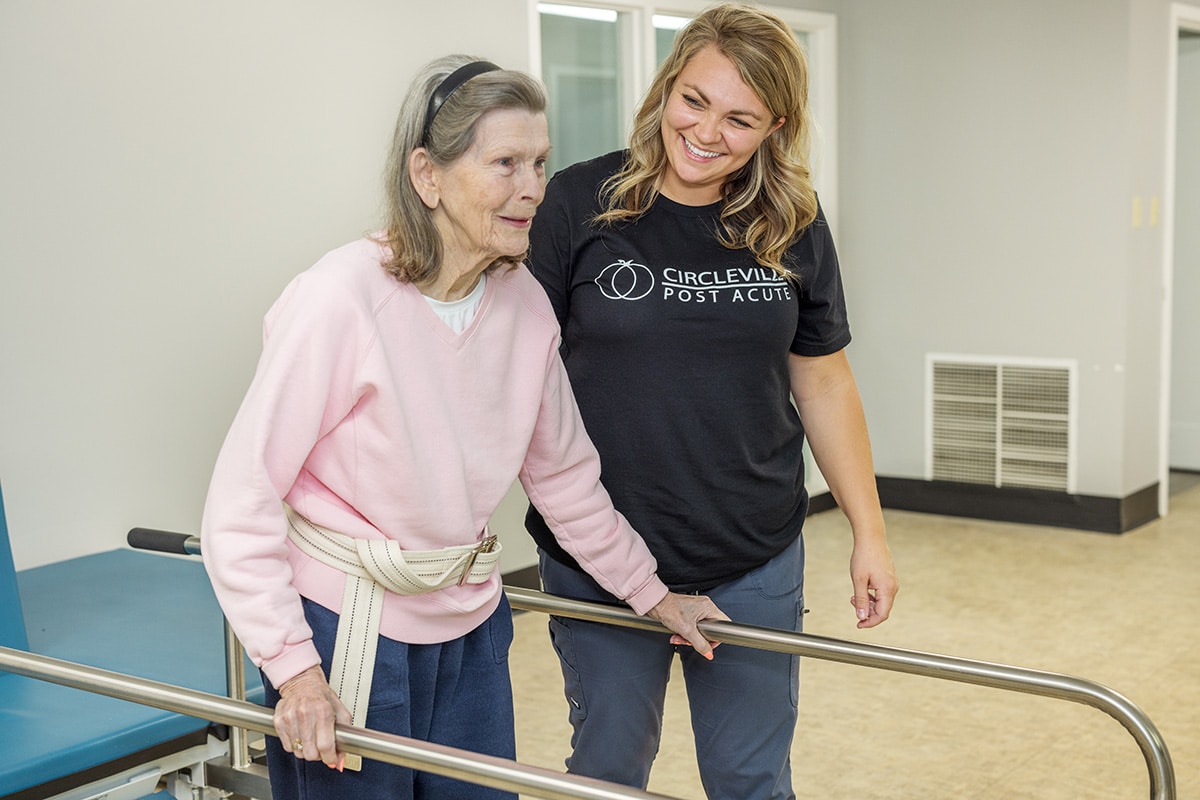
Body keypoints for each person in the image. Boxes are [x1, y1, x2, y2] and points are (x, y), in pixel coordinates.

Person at [199, 54, 726, 800]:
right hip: (348, 630)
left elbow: (566, 481)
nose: (533, 189)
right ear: (428, 175)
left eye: (540, 162)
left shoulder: (524, 309)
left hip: (472, 621)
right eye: (505, 162)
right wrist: (295, 671)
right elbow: (241, 502)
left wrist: (653, 592)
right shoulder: (339, 300)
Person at [524, 5, 900, 799]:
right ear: (667, 87)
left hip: (752, 551)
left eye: (740, 118)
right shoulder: (578, 202)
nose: (705, 132)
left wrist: (870, 531)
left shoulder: (792, 220)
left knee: (749, 776)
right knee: (607, 769)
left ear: (775, 126)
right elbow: (514, 374)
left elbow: (823, 377)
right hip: (602, 551)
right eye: (693, 100)